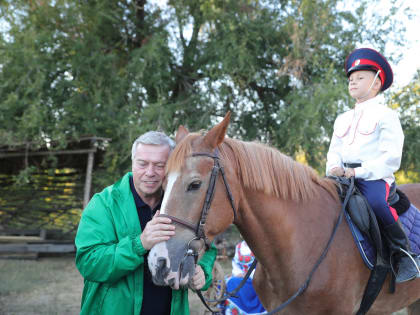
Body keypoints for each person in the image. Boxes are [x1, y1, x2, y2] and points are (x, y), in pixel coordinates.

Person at [75, 131, 217, 315]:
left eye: (160, 165)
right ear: (133, 162)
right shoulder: (104, 204)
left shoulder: (182, 204)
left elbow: (207, 246)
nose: (150, 173)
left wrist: (202, 272)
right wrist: (140, 244)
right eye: (142, 164)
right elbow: (89, 263)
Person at [326, 47, 419, 283]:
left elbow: (391, 158)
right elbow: (334, 150)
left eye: (360, 78)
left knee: (377, 202)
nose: (353, 82)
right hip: (342, 177)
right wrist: (334, 167)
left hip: (373, 178)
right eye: (351, 79)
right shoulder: (342, 119)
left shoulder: (386, 115)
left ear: (376, 83)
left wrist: (358, 171)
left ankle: (403, 253)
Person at [221, 240, 265, 315]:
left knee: (232, 282)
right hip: (240, 277)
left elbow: (262, 266)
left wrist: (248, 275)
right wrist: (238, 273)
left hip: (255, 278)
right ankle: (229, 310)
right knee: (226, 281)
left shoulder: (258, 246)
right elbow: (235, 264)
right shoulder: (239, 247)